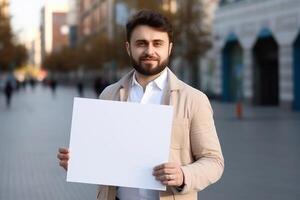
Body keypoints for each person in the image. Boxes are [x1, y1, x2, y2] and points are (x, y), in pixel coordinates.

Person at [57, 10, 224, 200]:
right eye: (141, 43)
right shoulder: (108, 95)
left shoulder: (194, 99)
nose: (149, 51)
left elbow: (214, 161)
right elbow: (105, 157)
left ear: (169, 48)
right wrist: (80, 163)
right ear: (128, 48)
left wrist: (183, 175)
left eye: (157, 43)